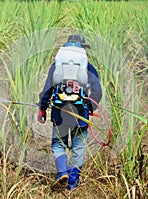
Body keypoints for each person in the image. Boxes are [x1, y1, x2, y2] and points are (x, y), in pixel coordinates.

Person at [37, 34, 102, 190]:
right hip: (81, 113)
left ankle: (61, 173)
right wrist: (90, 107)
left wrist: (42, 109)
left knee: (58, 144)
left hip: (59, 112)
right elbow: (97, 91)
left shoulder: (57, 65)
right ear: (82, 48)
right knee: (78, 147)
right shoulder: (87, 66)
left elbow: (47, 90)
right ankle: (72, 183)